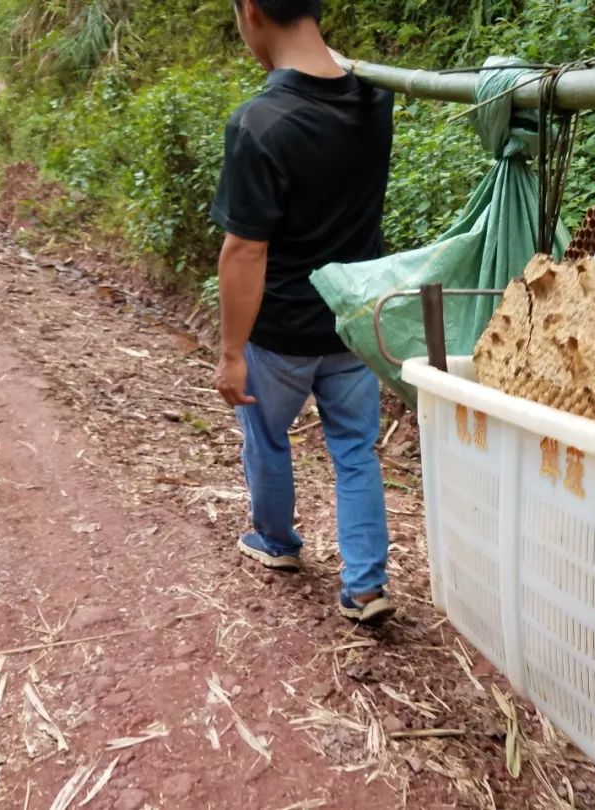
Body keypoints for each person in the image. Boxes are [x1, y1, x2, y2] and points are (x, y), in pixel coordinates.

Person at [210, 0, 395, 624]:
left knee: (266, 435)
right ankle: (366, 585)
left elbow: (244, 251)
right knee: (356, 450)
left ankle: (278, 543)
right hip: (352, 321)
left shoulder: (259, 123)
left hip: (282, 331)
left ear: (251, 10)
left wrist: (233, 352)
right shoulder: (376, 99)